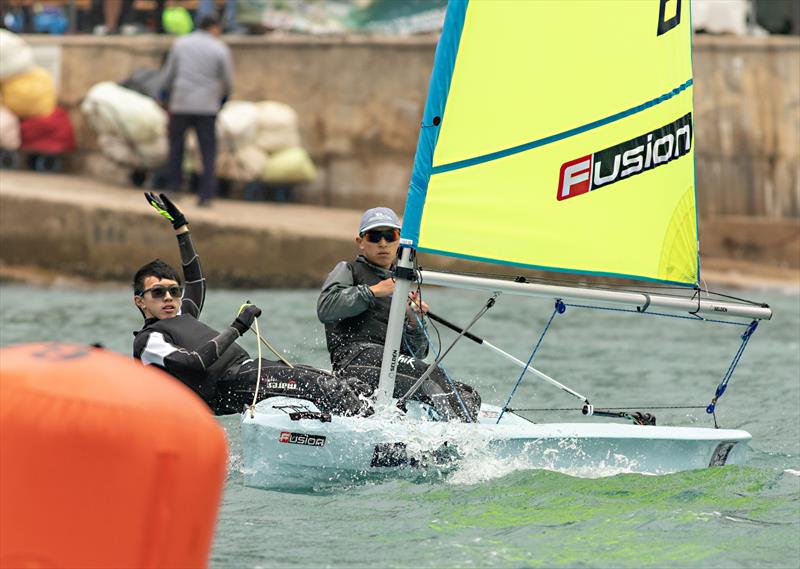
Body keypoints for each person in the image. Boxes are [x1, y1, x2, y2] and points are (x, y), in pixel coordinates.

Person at [133, 192, 372, 417]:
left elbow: (196, 279)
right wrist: (237, 327)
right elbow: (194, 363)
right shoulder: (148, 341)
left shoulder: (183, 314)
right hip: (231, 385)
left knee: (345, 383)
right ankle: (377, 443)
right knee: (324, 387)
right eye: (158, 292)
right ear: (140, 301)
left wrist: (181, 226)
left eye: (174, 291)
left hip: (249, 371)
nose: (168, 297)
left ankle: (378, 423)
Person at [317, 207, 481, 422]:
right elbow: (326, 308)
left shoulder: (401, 283)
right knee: (433, 377)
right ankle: (467, 441)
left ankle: (446, 448)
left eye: (389, 236)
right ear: (360, 241)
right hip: (355, 360)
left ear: (399, 241)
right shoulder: (348, 270)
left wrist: (414, 320)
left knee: (469, 394)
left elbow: (419, 352)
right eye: (374, 236)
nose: (383, 243)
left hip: (392, 363)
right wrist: (374, 291)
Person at [159, 13, 233, 207]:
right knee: (207, 151)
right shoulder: (219, 48)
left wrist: (164, 95)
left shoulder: (180, 44)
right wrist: (224, 99)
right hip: (207, 106)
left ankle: (174, 187)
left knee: (177, 147)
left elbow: (168, 75)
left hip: (181, 103)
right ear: (215, 27)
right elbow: (227, 80)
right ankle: (206, 194)